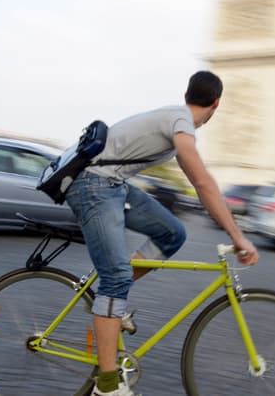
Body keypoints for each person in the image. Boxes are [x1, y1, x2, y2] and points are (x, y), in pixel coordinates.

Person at [64, 70, 259, 396]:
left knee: (173, 233)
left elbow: (200, 186)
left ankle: (112, 297)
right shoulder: (181, 124)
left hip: (110, 185)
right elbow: (204, 184)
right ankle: (108, 386)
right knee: (115, 280)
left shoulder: (174, 118)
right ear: (216, 104)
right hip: (94, 185)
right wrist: (238, 236)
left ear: (188, 94)